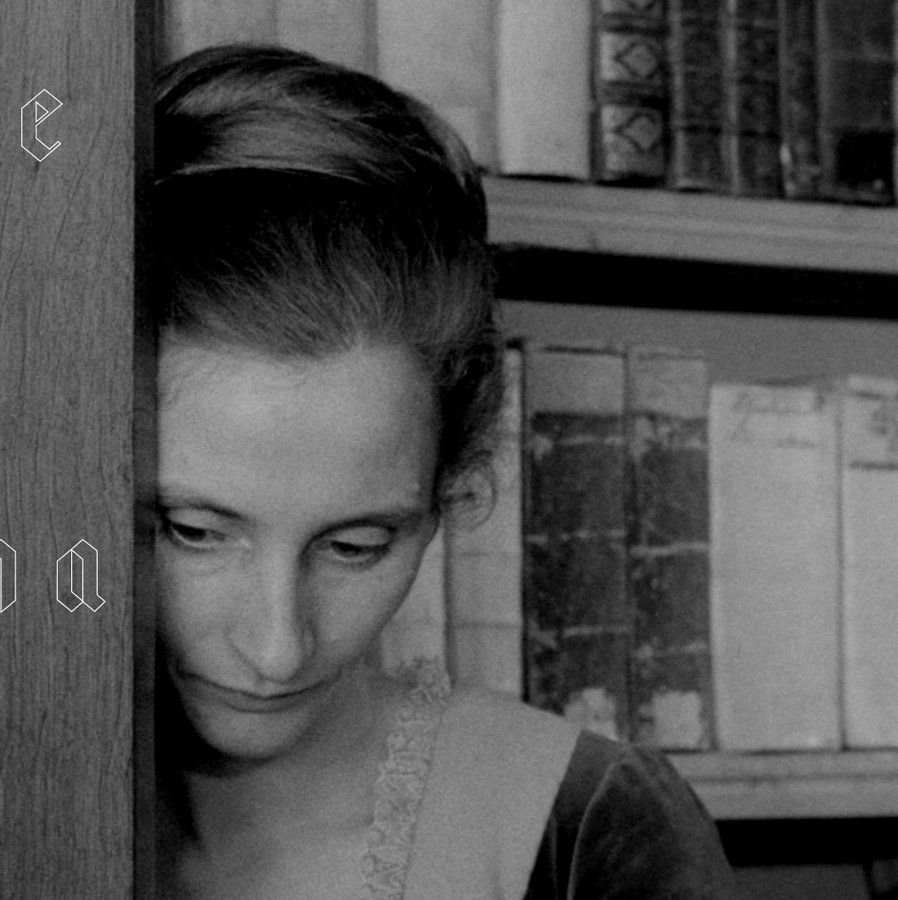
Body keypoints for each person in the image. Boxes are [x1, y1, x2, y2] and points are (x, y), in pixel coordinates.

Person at [148, 43, 740, 899]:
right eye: (195, 532)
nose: (277, 649)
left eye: (356, 546)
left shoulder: (586, 828)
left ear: (444, 495)